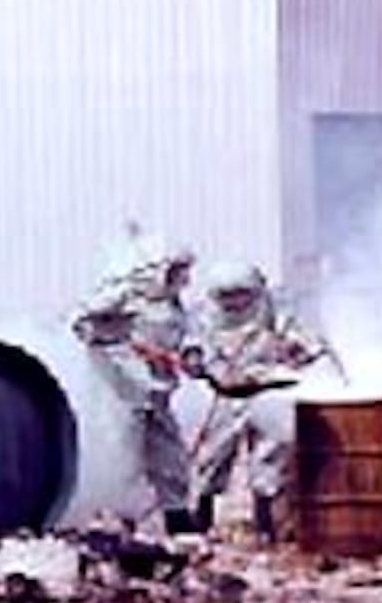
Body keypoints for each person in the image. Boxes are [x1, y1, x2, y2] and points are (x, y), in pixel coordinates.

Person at [186, 261, 329, 543]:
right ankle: (202, 519)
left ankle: (266, 523)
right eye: (227, 296)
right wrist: (194, 360)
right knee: (212, 457)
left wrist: (303, 350)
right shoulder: (205, 315)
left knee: (268, 457)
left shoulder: (273, 307)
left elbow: (302, 337)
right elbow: (192, 344)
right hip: (226, 392)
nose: (235, 303)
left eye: (241, 295)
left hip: (268, 390)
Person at [71, 229, 196, 530]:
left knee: (170, 455)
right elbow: (82, 323)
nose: (181, 278)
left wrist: (190, 357)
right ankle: (119, 518)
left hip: (157, 392)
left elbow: (185, 338)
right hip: (123, 393)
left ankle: (176, 515)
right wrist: (124, 343)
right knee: (123, 455)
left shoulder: (173, 305)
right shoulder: (123, 295)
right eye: (175, 270)